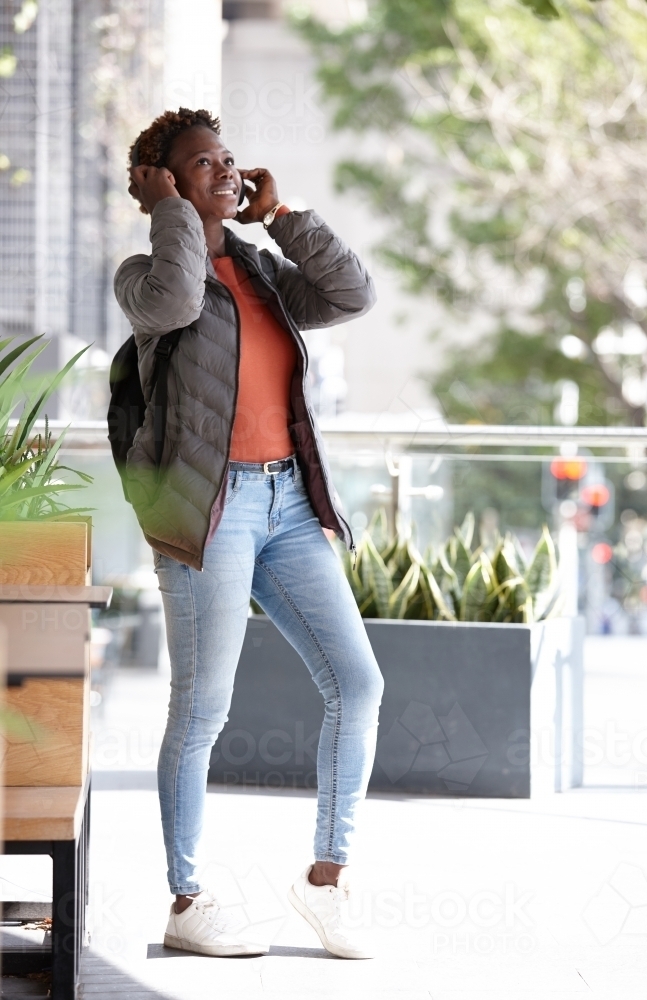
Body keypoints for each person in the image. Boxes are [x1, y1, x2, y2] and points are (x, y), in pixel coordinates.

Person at [114, 107, 384, 960]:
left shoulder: (265, 272)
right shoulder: (143, 272)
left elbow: (350, 293)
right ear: (163, 182)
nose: (227, 171)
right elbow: (174, 300)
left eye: (230, 159)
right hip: (210, 514)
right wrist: (171, 216)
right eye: (203, 164)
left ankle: (328, 882)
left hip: (290, 508)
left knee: (357, 683)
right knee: (202, 712)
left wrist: (282, 216)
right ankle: (187, 900)